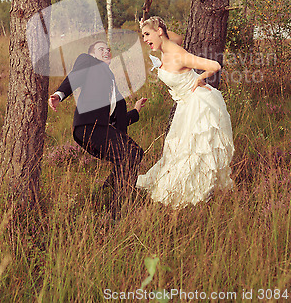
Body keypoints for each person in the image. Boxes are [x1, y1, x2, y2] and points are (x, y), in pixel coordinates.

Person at [137, 17, 234, 207]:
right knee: (179, 149)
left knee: (194, 150)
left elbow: (215, 66)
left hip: (199, 104)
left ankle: (197, 191)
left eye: (147, 35)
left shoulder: (178, 54)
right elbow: (177, 37)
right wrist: (147, 25)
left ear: (159, 32)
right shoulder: (168, 44)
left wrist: (200, 79)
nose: (145, 40)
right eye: (142, 36)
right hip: (185, 105)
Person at [48, 40, 147, 218]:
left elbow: (116, 116)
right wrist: (59, 94)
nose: (107, 51)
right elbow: (75, 75)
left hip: (100, 127)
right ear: (92, 54)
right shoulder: (87, 61)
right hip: (89, 126)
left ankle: (103, 195)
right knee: (130, 155)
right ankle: (117, 209)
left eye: (108, 49)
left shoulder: (109, 78)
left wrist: (136, 111)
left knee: (135, 154)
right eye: (101, 49)